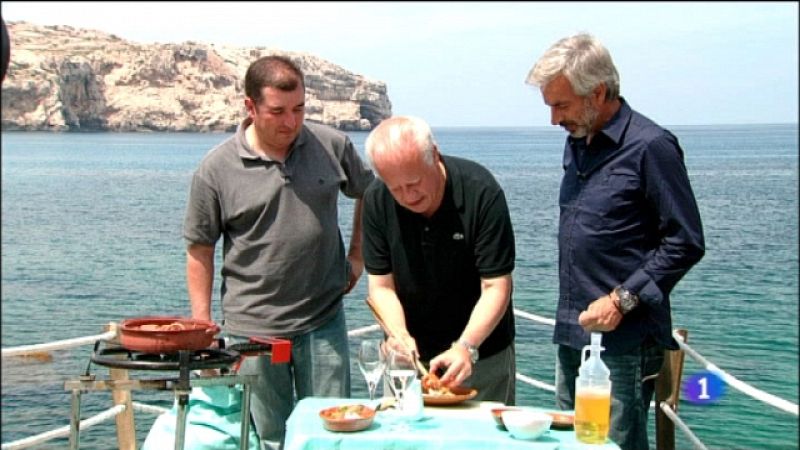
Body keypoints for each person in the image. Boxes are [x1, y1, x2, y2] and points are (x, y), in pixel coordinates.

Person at [183, 55, 374, 450]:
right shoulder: (215, 169)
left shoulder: (332, 145)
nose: (291, 122)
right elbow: (200, 248)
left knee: (332, 434)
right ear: (250, 107)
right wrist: (201, 326)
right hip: (253, 329)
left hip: (323, 321)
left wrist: (358, 256)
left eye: (299, 109)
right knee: (270, 438)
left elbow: (369, 194)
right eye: (278, 111)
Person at [525, 33, 705, 449]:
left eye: (561, 105)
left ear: (598, 92)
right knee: (569, 443)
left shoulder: (651, 147)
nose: (554, 119)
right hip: (572, 332)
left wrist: (621, 300)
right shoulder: (576, 144)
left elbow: (686, 240)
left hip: (623, 342)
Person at [362, 115, 517, 404]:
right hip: (408, 362)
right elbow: (381, 287)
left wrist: (466, 347)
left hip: (482, 353)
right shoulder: (376, 199)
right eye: (395, 188)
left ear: (435, 155)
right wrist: (397, 336)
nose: (407, 196)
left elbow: (496, 286)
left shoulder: (481, 191)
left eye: (414, 182)